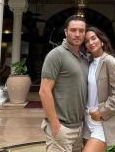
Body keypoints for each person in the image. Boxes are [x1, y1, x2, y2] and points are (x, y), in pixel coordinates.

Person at [39, 15, 88, 151]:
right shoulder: (56, 55)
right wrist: (55, 124)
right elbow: (44, 91)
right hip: (62, 127)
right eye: (73, 30)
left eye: (81, 30)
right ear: (66, 32)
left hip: (79, 127)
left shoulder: (84, 58)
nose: (77, 34)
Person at [83, 26, 115, 152]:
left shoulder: (110, 62)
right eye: (86, 41)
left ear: (102, 41)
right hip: (87, 120)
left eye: (93, 38)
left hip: (103, 122)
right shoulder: (88, 62)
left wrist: (101, 112)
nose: (90, 42)